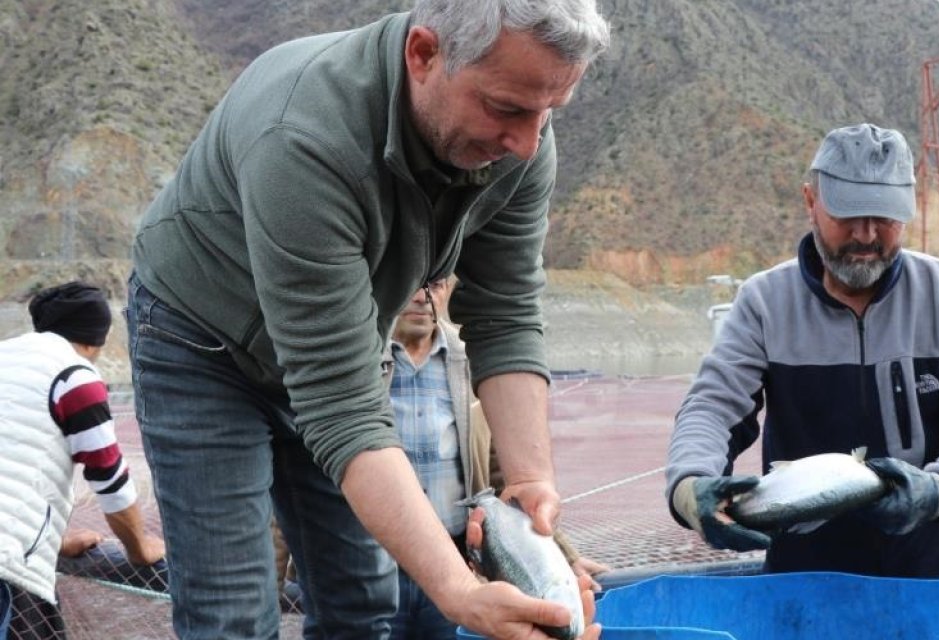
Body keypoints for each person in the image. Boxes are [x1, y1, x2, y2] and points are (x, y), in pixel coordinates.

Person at [124, 1, 610, 637]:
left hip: (343, 341)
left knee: (361, 600)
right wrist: (461, 593)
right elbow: (340, 403)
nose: (527, 143)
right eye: (505, 108)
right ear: (424, 54)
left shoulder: (522, 142)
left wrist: (529, 482)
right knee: (232, 614)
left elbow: (506, 310)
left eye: (549, 112)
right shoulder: (303, 137)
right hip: (202, 344)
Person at [665, 124, 939, 583]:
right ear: (810, 201)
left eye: (884, 217)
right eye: (848, 215)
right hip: (803, 578)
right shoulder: (764, 302)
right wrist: (690, 488)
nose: (866, 235)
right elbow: (713, 408)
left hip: (935, 576)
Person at [387, 279, 609, 639]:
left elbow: (508, 482)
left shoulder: (478, 363)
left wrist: (563, 557)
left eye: (436, 285)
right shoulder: (356, 363)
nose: (422, 297)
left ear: (451, 288)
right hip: (369, 570)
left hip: (458, 567)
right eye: (411, 283)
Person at [0, 282, 166, 639]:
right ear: (94, 341)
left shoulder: (7, 357)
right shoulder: (74, 376)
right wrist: (140, 546)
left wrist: (54, 542)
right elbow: (110, 480)